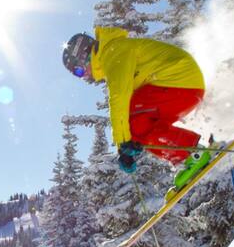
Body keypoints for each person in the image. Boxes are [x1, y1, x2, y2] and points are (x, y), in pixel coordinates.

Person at [63, 26, 213, 185]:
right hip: (184, 88)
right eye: (78, 75)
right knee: (138, 128)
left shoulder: (113, 52)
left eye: (79, 71)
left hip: (180, 82)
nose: (85, 76)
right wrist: (127, 146)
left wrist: (122, 143)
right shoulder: (113, 54)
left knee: (134, 118)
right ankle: (188, 158)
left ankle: (193, 153)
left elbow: (119, 97)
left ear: (83, 56)